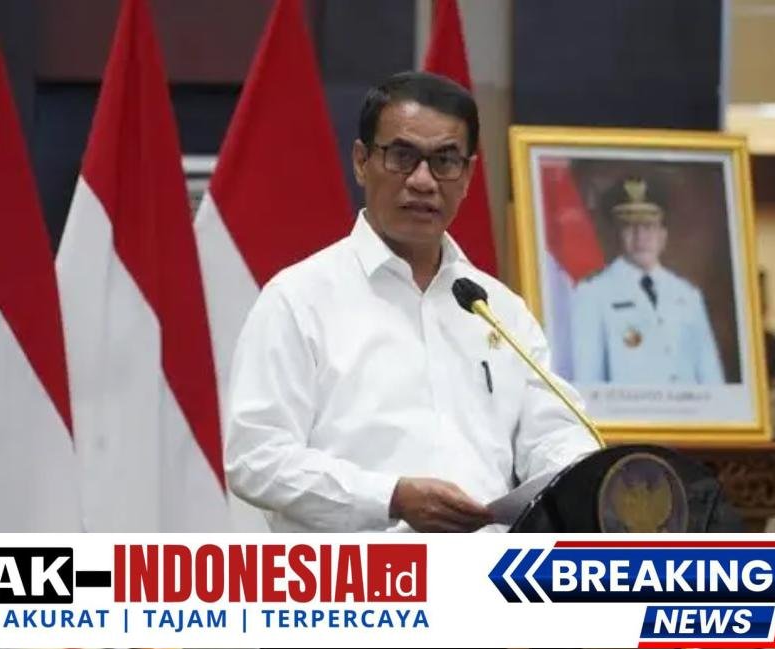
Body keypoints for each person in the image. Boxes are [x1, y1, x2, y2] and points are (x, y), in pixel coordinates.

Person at [225, 71, 598, 533]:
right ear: (361, 162)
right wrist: (391, 498)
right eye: (402, 156)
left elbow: (554, 433)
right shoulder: (299, 299)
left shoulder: (499, 309)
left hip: (489, 570)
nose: (423, 181)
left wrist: (584, 472)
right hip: (363, 575)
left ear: (468, 176)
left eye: (445, 161)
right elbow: (256, 458)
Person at [571, 178, 725, 384]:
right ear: (617, 234)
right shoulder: (592, 293)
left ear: (663, 235)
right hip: (625, 406)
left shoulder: (688, 295)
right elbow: (586, 378)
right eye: (630, 227)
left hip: (687, 405)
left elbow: (710, 375)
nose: (640, 237)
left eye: (649, 226)